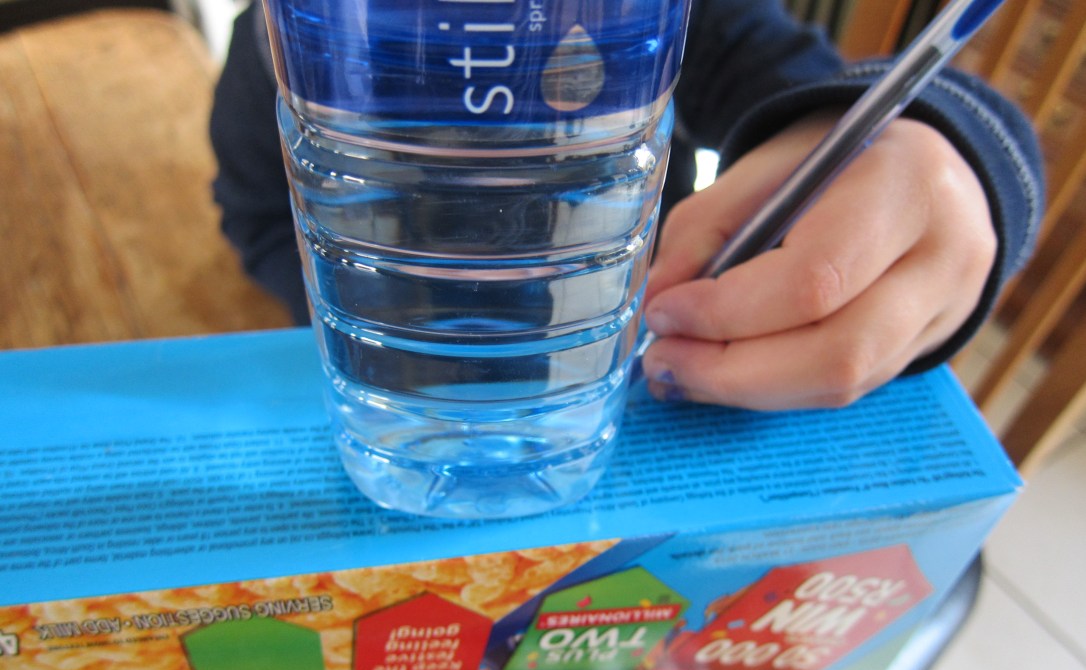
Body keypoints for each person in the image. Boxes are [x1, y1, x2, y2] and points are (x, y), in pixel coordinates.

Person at [210, 0, 1044, 411]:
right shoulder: (286, 39)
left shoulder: (666, 12)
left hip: (605, 392)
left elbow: (839, 101)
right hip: (385, 408)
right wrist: (353, 320)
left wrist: (948, 159)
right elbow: (253, 213)